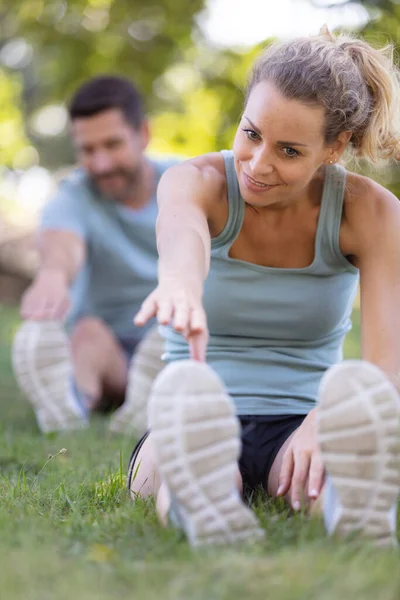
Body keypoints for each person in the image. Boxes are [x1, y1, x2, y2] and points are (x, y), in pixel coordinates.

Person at [127, 28, 400, 548]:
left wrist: (324, 422)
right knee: (178, 473)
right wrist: (180, 285)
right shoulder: (197, 182)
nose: (257, 165)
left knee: (319, 485)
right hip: (196, 412)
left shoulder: (371, 212)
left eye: (289, 150)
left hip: (301, 422)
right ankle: (202, 498)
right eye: (251, 134)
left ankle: (352, 508)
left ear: (334, 148)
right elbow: (183, 237)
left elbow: (388, 364)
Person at [12, 75, 180, 434]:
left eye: (112, 144)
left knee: (174, 332)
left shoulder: (186, 181)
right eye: (88, 150)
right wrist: (53, 277)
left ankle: (148, 402)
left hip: (172, 338)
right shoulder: (75, 194)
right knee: (86, 333)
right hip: (112, 352)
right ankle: (71, 405)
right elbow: (62, 242)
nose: (101, 163)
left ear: (143, 135)